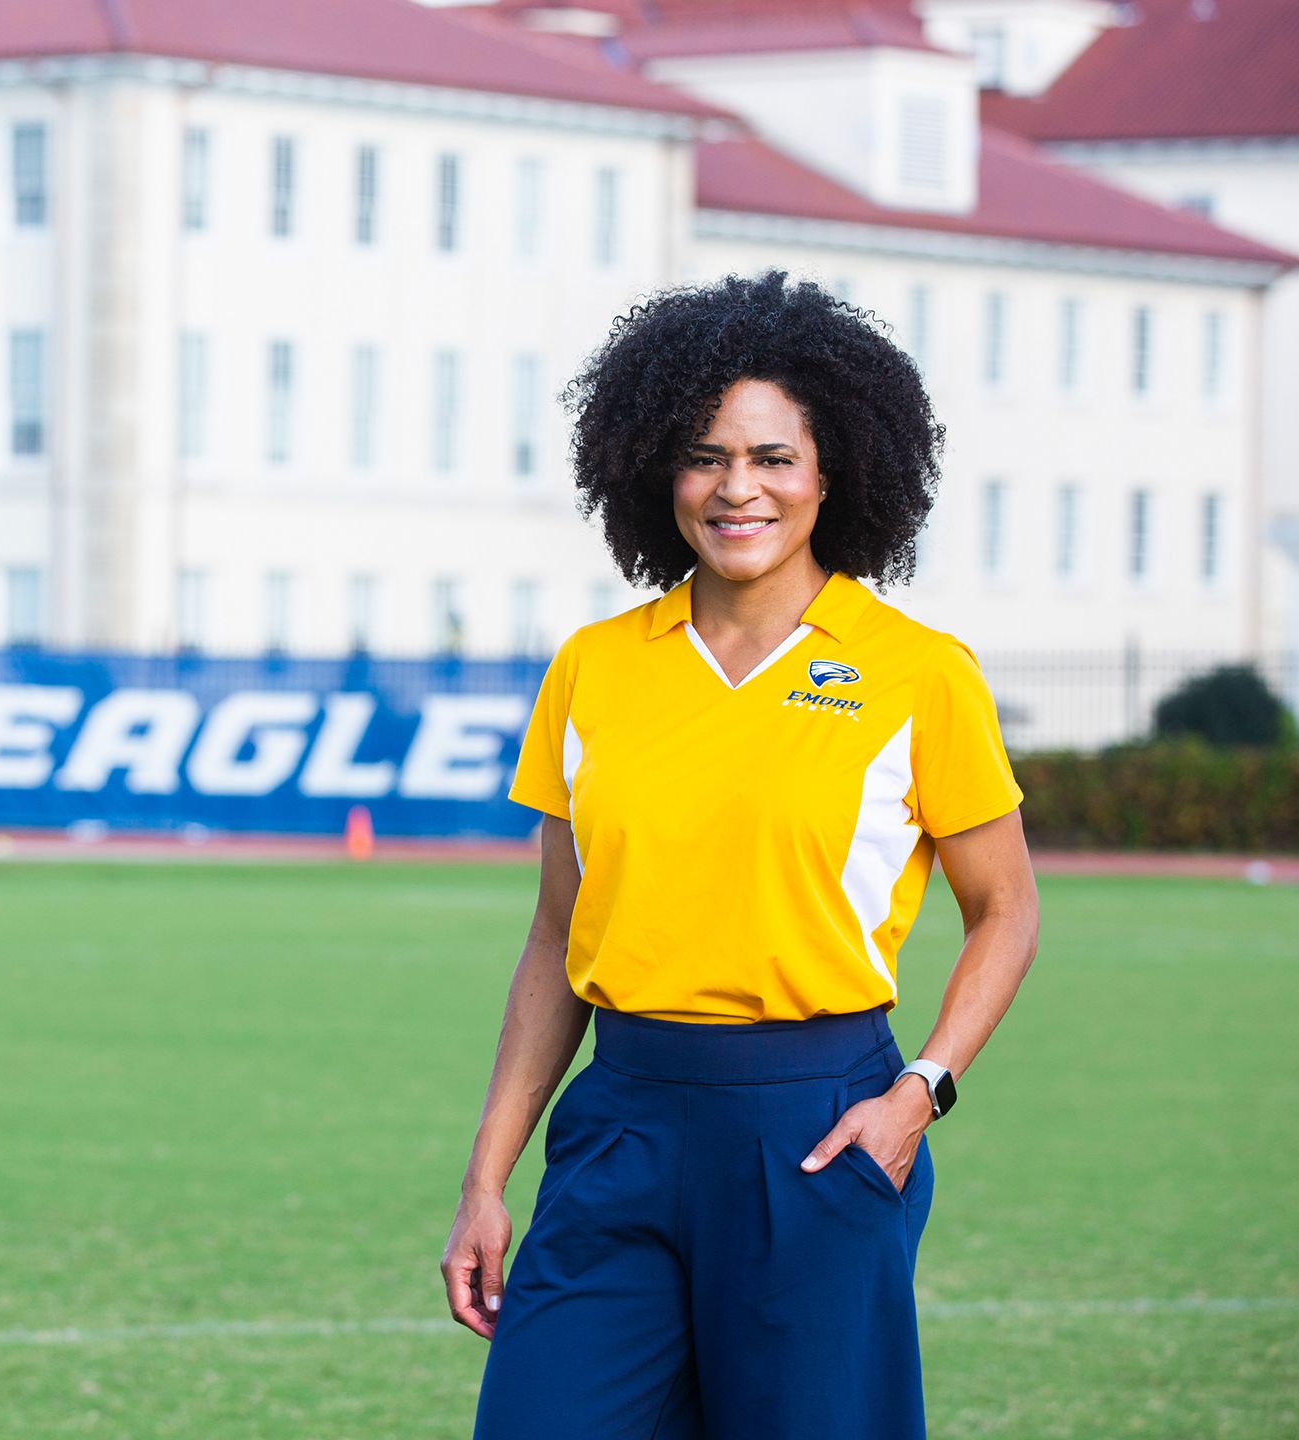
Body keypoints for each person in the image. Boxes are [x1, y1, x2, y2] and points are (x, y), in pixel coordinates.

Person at [446, 271, 1041, 1439]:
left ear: (834, 472)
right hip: (617, 1121)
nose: (737, 489)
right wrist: (486, 1175)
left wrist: (918, 1094)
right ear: (652, 470)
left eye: (773, 457)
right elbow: (557, 938)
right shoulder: (594, 668)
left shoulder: (918, 674)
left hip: (817, 1130)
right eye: (704, 455)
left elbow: (1006, 911)